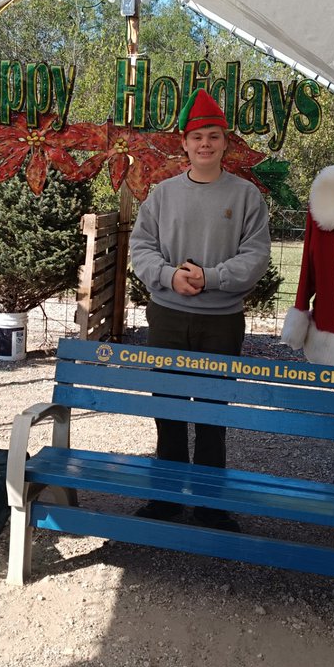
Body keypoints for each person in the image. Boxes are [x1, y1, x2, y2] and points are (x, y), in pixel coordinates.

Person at [129, 88, 271, 531]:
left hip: (220, 319)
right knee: (168, 407)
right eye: (197, 137)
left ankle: (211, 504)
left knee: (213, 413)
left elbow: (255, 257)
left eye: (213, 136)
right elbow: (141, 247)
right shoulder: (162, 195)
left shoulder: (247, 196)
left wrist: (210, 278)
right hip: (168, 315)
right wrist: (169, 276)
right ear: (185, 145)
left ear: (226, 142)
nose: (205, 144)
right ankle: (167, 498)